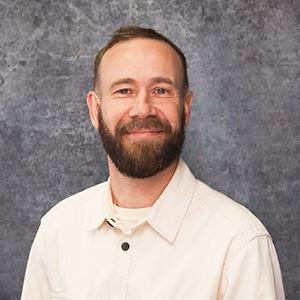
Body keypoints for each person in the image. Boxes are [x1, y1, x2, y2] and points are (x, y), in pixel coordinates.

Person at [21, 26, 285, 300]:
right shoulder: (57, 230)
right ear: (95, 110)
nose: (142, 109)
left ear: (186, 108)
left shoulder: (240, 243)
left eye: (160, 89)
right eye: (124, 90)